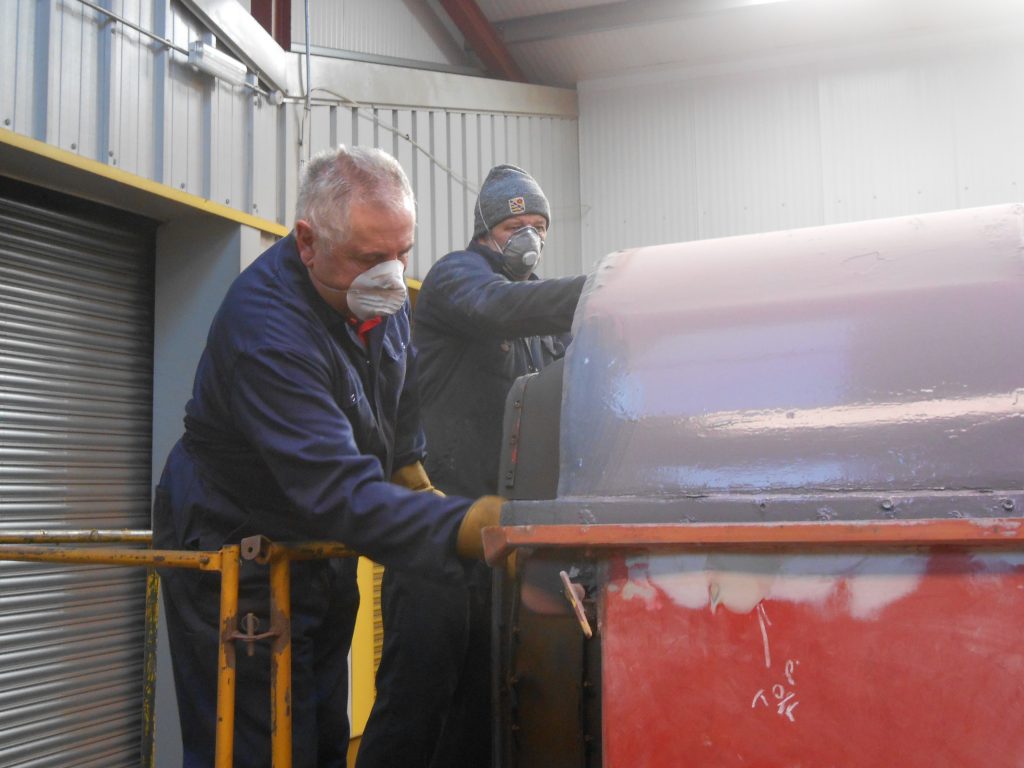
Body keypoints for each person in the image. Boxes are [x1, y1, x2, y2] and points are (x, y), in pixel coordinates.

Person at [152, 146, 501, 768]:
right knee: (253, 743)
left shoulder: (373, 297)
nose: (392, 275)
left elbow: (401, 393)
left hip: (314, 542)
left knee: (316, 732)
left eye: (403, 254)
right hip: (237, 540)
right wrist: (471, 526)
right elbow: (337, 491)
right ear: (308, 242)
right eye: (371, 258)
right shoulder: (267, 331)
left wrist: (409, 469)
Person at [356, 165, 586, 768]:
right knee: (419, 691)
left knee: (481, 698)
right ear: (487, 228)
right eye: (517, 224)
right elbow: (501, 309)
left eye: (539, 226)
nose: (529, 237)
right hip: (437, 524)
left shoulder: (536, 319)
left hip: (496, 536)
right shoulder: (459, 278)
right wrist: (600, 290)